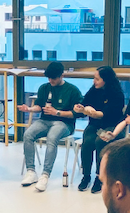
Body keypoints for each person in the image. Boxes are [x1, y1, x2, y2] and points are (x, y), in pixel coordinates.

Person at [19, 61, 83, 191]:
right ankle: (31, 171)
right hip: (44, 121)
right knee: (28, 134)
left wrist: (57, 112)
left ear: (61, 75)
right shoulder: (44, 88)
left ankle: (45, 175)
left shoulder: (72, 90)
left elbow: (78, 113)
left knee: (52, 137)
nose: (51, 81)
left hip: (64, 123)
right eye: (49, 78)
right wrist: (30, 109)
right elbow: (39, 106)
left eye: (53, 78)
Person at [73, 66, 127, 194]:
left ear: (106, 80)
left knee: (100, 142)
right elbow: (84, 102)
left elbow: (107, 114)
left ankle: (99, 176)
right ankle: (86, 175)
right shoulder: (94, 90)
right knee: (87, 142)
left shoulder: (117, 94)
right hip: (95, 125)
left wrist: (92, 112)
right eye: (94, 78)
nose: (94, 81)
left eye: (97, 79)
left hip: (112, 126)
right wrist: (80, 107)